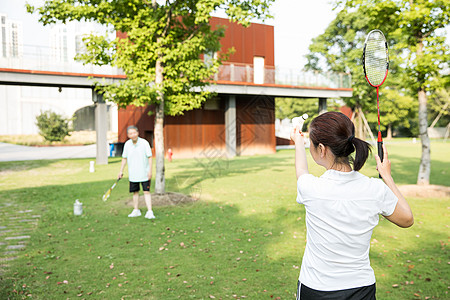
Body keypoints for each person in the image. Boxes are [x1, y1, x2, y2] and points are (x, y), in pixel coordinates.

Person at [290, 112, 413, 299]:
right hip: (361, 289)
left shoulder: (311, 188)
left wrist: (298, 143)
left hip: (316, 289)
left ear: (321, 149)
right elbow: (407, 219)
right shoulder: (375, 189)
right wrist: (387, 176)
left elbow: (301, 171)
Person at [118, 125, 155, 219]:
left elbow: (150, 157)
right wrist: (121, 171)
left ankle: (150, 211)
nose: (133, 135)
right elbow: (124, 158)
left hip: (145, 173)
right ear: (128, 135)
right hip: (133, 174)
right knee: (135, 192)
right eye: (130, 133)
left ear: (137, 133)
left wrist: (150, 171)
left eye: (134, 133)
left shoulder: (144, 143)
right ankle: (136, 210)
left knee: (146, 192)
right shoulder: (127, 144)